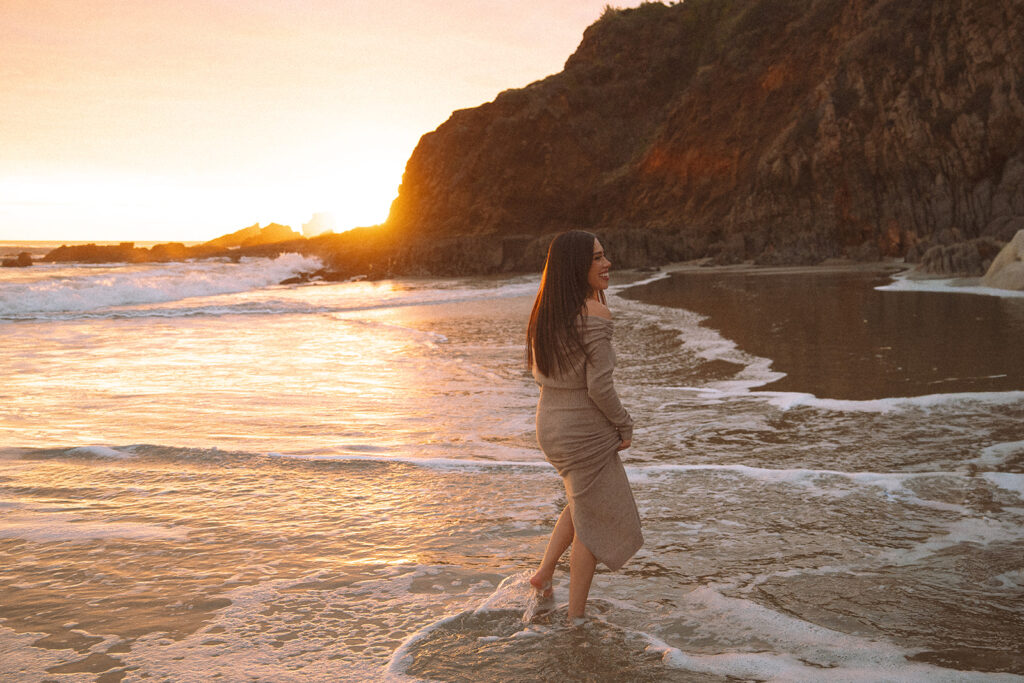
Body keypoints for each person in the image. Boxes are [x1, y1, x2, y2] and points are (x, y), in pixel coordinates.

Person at [525, 230, 643, 623]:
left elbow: (540, 374)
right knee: (594, 522)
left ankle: (543, 575)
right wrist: (624, 424)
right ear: (577, 266)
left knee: (582, 502)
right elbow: (599, 386)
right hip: (582, 428)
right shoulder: (594, 314)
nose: (606, 263)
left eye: (604, 255)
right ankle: (576, 622)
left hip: (550, 425)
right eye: (596, 258)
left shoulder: (545, 312)